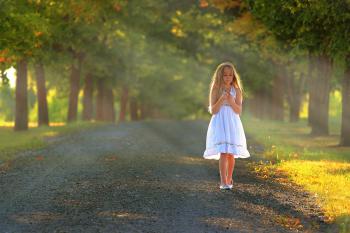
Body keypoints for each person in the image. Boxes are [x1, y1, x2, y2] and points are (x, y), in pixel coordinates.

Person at [203, 61, 250, 190]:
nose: (227, 77)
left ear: (233, 76)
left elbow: (238, 111)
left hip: (232, 122)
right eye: (225, 75)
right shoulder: (216, 89)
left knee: (231, 153)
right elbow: (213, 110)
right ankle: (223, 181)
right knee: (224, 151)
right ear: (220, 76)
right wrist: (222, 99)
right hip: (219, 121)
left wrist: (230, 100)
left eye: (230, 75)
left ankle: (229, 178)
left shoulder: (237, 90)